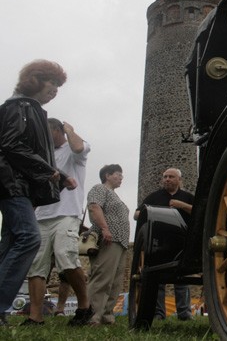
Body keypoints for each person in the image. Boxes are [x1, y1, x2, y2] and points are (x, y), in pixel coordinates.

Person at [0, 60, 77, 326]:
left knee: (11, 243)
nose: (55, 89)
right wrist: (46, 170)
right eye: (52, 82)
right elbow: (11, 145)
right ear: (35, 80)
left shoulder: (29, 109)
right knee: (29, 238)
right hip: (13, 185)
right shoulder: (19, 107)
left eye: (58, 85)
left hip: (19, 184)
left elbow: (26, 150)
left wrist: (62, 176)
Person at [25, 118, 93, 326]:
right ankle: (35, 316)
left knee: (66, 256)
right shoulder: (43, 155)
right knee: (36, 265)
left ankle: (84, 306)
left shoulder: (73, 151)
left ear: (56, 130)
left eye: (45, 132)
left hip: (66, 213)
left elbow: (80, 147)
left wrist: (69, 129)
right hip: (41, 215)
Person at [134, 168, 194, 320]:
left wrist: (182, 205)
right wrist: (150, 212)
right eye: (165, 176)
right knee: (158, 280)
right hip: (159, 243)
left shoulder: (187, 197)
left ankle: (184, 313)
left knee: (181, 280)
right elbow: (136, 214)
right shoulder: (154, 197)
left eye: (171, 177)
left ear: (179, 180)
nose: (167, 179)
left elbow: (199, 213)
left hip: (182, 242)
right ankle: (159, 313)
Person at [86, 164, 130, 326]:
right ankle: (91, 315)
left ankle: (106, 315)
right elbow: (94, 206)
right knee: (102, 278)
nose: (121, 178)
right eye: (118, 174)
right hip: (108, 239)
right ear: (107, 175)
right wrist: (105, 228)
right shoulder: (99, 189)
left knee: (115, 281)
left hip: (121, 242)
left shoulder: (115, 195)